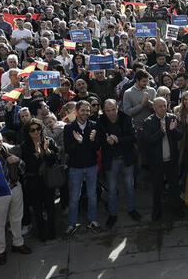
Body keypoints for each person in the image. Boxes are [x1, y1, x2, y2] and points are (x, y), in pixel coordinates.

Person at [0, 132, 30, 263]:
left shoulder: (10, 151)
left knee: (16, 219)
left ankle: (18, 243)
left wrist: (17, 160)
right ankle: (0, 250)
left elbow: (23, 169)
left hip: (15, 188)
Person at [96, 98, 138, 228]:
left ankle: (132, 209)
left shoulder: (126, 118)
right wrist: (105, 141)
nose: (111, 113)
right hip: (111, 160)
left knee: (129, 187)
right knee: (112, 189)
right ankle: (113, 214)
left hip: (126, 158)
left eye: (113, 109)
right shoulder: (100, 121)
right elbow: (98, 140)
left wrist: (118, 139)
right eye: (108, 110)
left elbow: (132, 137)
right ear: (104, 111)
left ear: (117, 108)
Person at [140, 97, 183, 221]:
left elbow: (180, 136)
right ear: (154, 107)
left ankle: (177, 209)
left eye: (165, 105)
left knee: (174, 186)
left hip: (171, 160)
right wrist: (161, 132)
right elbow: (147, 141)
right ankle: (157, 211)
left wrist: (173, 130)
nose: (163, 108)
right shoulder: (148, 121)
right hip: (157, 162)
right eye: (160, 106)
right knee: (157, 188)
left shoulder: (172, 118)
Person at [62, 98, 100, 233]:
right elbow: (68, 149)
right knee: (74, 197)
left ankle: (92, 220)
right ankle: (72, 223)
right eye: (83, 110)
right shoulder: (69, 128)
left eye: (88, 110)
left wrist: (88, 141)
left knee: (92, 195)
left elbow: (96, 147)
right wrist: (79, 142)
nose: (86, 113)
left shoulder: (95, 125)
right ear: (77, 111)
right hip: (75, 167)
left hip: (91, 165)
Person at [20, 119, 60, 240]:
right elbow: (26, 165)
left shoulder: (49, 141)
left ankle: (51, 231)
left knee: (50, 206)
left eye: (38, 129)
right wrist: (36, 156)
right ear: (28, 132)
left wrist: (47, 151)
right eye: (32, 130)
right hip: (34, 181)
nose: (36, 132)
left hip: (48, 179)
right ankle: (41, 232)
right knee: (37, 208)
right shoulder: (25, 146)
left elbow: (55, 160)